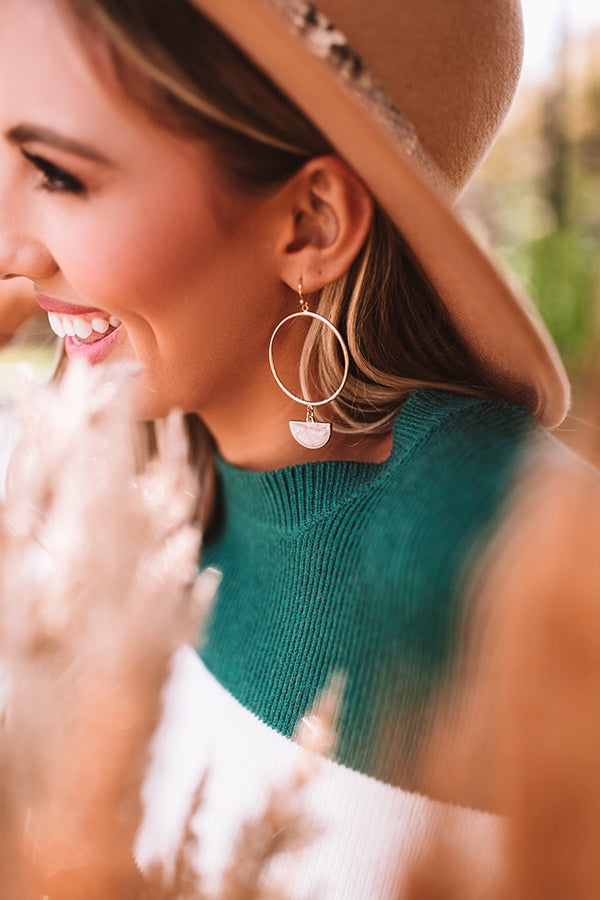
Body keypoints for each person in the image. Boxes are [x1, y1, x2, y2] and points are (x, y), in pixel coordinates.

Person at [0, 0, 575, 896]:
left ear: (310, 223)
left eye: (57, 173)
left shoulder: (485, 540)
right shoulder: (92, 470)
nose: (8, 247)